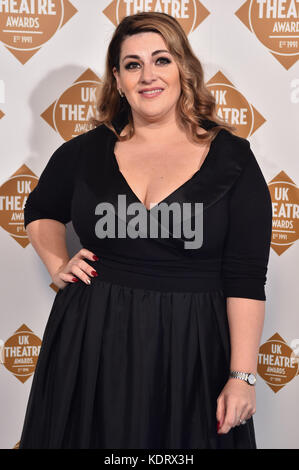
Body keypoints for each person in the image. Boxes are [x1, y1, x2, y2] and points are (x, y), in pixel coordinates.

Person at [19, 12, 272, 449]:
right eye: (132, 64)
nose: (148, 75)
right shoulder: (84, 153)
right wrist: (58, 263)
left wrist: (242, 377)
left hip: (192, 346)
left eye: (162, 60)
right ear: (117, 79)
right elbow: (41, 209)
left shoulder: (234, 159)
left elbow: (246, 278)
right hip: (91, 341)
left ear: (183, 69)